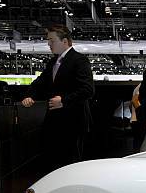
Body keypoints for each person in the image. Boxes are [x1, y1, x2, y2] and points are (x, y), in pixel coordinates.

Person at [21, 24, 94, 171]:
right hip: (54, 122)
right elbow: (39, 83)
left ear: (65, 41)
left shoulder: (79, 60)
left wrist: (64, 101)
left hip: (74, 121)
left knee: (72, 165)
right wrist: (29, 96)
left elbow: (88, 90)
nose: (48, 44)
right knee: (55, 163)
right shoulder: (53, 62)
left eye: (52, 40)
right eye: (48, 40)